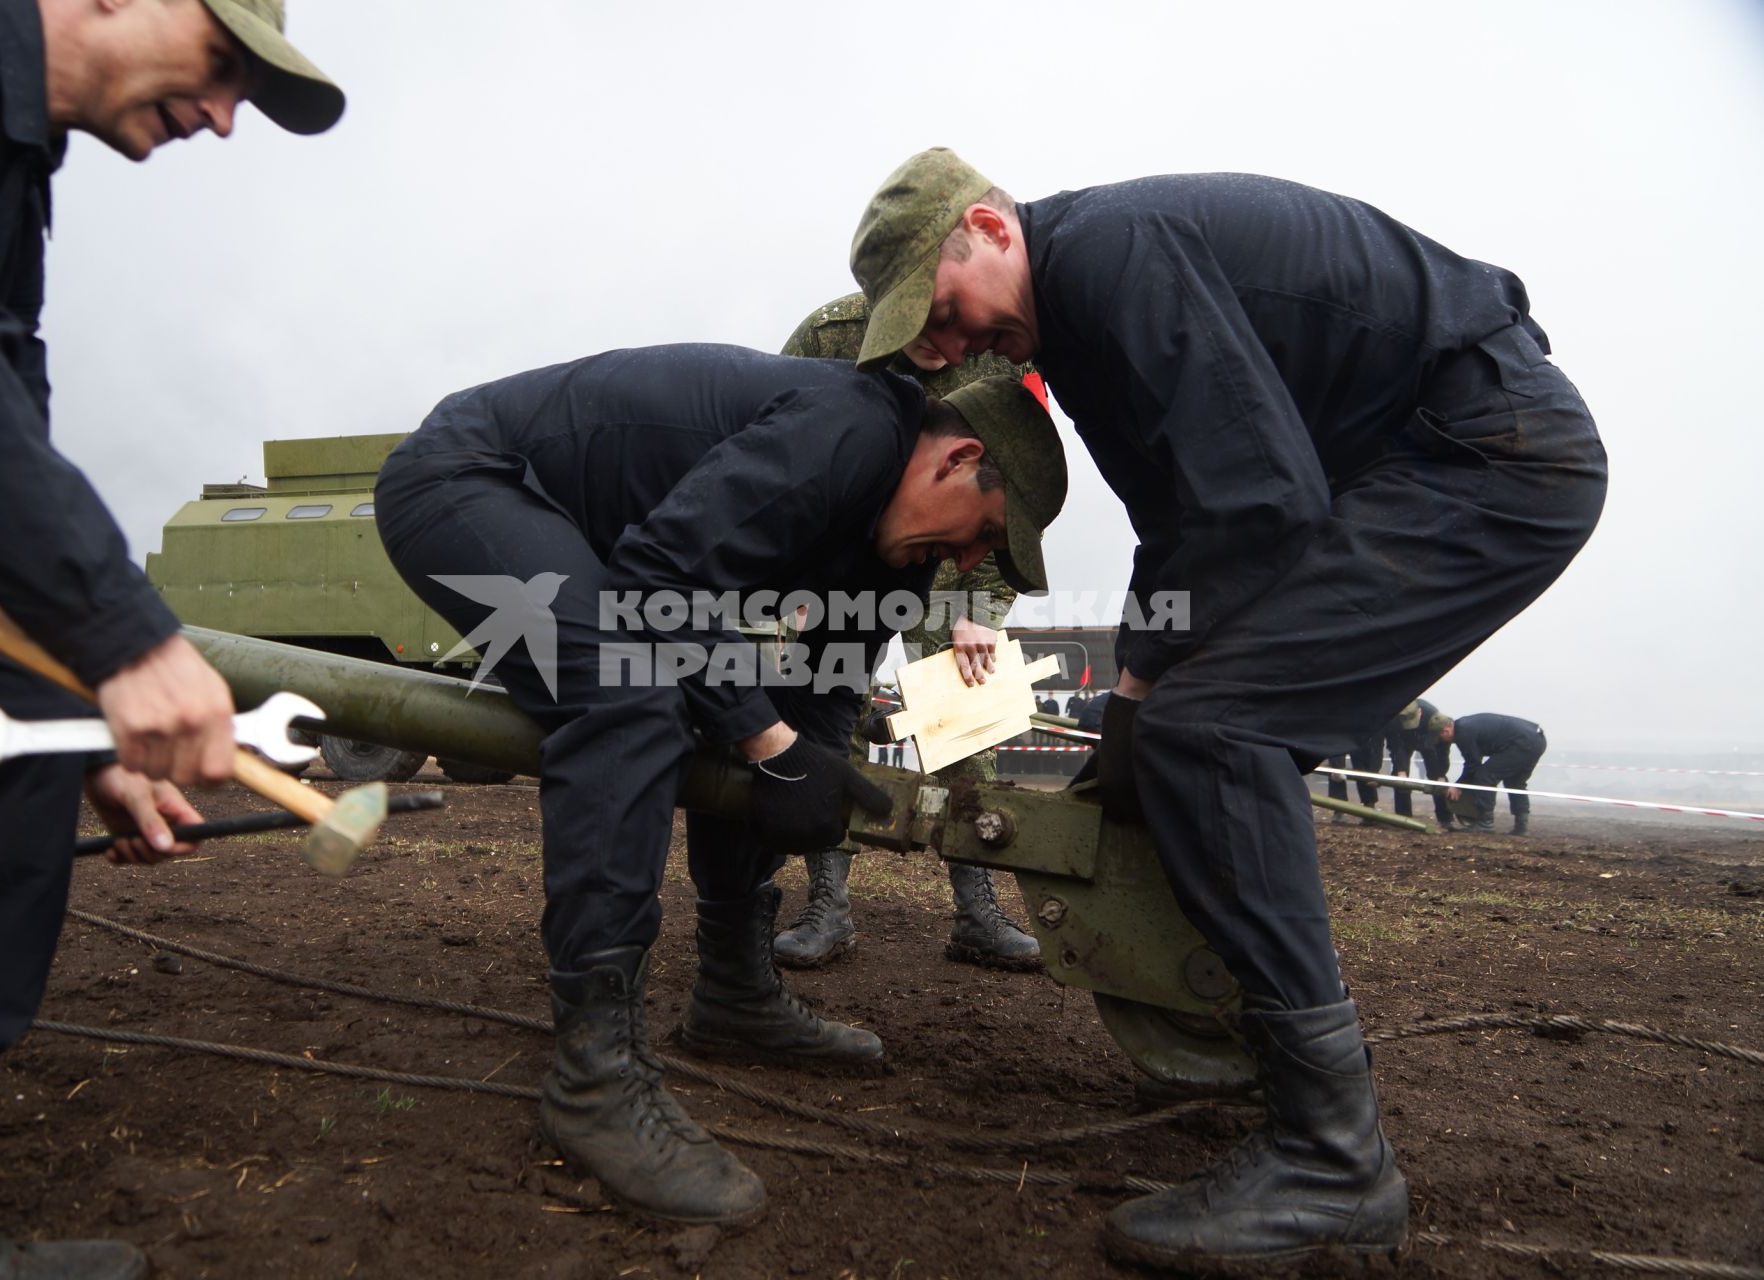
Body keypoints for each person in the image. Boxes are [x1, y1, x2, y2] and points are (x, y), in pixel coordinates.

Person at [847, 148, 1606, 1270]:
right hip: (1416, 462)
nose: (948, 345)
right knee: (1173, 732)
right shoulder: (1081, 324)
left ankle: (1332, 1158)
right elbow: (1180, 521)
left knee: (1218, 731)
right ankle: (1265, 1058)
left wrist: (1165, 708)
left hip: (1485, 455)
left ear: (989, 227)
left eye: (944, 307)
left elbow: (1261, 505)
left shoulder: (1106, 257)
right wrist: (1133, 709)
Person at [0, 2, 343, 1275]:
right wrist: (123, 634)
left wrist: (69, 711)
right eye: (224, 66)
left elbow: (0, 392)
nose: (226, 117)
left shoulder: (9, 166)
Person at [373, 344, 1064, 1226]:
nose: (971, 562)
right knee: (629, 698)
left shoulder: (902, 555)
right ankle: (595, 1076)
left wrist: (804, 777)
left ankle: (734, 994)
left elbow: (821, 692)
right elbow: (658, 576)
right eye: (986, 533)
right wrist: (769, 740)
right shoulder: (849, 432)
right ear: (958, 459)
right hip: (472, 480)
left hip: (595, 541)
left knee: (746, 715)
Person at [773, 292, 1044, 971]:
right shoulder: (830, 335)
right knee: (831, 715)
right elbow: (776, 453)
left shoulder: (1002, 354)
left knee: (970, 717)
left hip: (953, 554)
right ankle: (827, 905)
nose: (942, 343)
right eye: (920, 324)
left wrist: (984, 612)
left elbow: (1020, 490)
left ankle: (978, 910)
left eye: (954, 325)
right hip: (841, 555)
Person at [1437, 713, 1547, 834]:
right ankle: (1521, 826)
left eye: (1440, 737)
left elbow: (1473, 764)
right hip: (1537, 739)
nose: (1442, 741)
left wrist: (1458, 786)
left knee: (1485, 776)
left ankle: (1485, 823)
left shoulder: (1463, 733)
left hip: (1521, 742)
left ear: (1445, 731)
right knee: (1515, 782)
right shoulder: (1465, 726)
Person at [1387, 699, 1455, 828]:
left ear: (1420, 711)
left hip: (1428, 742)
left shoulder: (1433, 717)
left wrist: (1441, 774)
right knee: (1400, 778)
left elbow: (1441, 750)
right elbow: (1396, 745)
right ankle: (1403, 817)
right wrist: (1401, 771)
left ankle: (1445, 819)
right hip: (1403, 742)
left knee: (1438, 779)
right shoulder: (1394, 717)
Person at [1324, 729, 1384, 820]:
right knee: (1337, 767)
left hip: (1360, 728)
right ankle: (1338, 807)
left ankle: (1369, 804)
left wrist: (1375, 770)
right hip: (1340, 727)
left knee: (1363, 764)